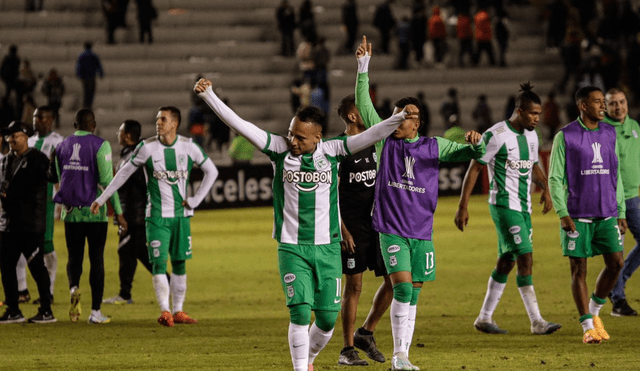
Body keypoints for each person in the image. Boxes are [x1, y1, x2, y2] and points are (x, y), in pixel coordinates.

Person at [194, 75, 411, 371]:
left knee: (325, 319)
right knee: (299, 313)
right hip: (292, 247)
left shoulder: (333, 151)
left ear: (318, 138)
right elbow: (240, 125)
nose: (293, 141)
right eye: (291, 133)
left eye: (300, 137)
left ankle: (308, 360)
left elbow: (370, 135)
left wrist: (398, 118)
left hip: (327, 249)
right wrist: (210, 97)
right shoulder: (279, 149)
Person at [354, 35, 485, 370]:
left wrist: (477, 141)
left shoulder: (434, 146)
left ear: (418, 121)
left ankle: (402, 353)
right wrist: (363, 67)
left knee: (413, 293)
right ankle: (400, 357)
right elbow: (365, 107)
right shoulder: (384, 143)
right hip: (391, 229)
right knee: (401, 289)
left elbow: (474, 153)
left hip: (422, 232)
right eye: (396, 114)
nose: (398, 119)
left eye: (405, 115)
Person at [91, 107, 218, 327]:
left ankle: (178, 310)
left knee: (180, 264)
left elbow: (212, 171)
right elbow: (123, 173)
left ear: (174, 124)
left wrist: (196, 200)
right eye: (157, 118)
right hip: (156, 216)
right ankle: (165, 311)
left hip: (181, 217)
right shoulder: (147, 147)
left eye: (163, 119)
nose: (158, 122)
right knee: (159, 263)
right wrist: (103, 198)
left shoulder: (188, 146)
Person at [454, 83, 563, 336]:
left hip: (524, 208)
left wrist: (545, 188)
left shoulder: (532, 136)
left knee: (507, 261)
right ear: (519, 111)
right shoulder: (496, 135)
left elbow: (534, 165)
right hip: (503, 205)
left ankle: (484, 317)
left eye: (539, 113)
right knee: (526, 256)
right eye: (533, 114)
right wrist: (463, 205)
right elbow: (475, 167)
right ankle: (536, 321)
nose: (538, 118)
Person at [548, 86, 626, 344]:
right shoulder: (566, 136)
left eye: (603, 101)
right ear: (583, 106)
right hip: (578, 214)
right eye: (597, 102)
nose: (603, 106)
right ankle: (587, 327)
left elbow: (616, 175)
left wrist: (621, 210)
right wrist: (562, 211)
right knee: (578, 269)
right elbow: (555, 178)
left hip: (606, 213)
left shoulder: (609, 133)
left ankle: (594, 312)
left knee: (616, 263)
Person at [51, 108, 126, 324]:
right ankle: (95, 312)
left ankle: (74, 287)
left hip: (71, 213)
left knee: (74, 257)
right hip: (95, 212)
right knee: (96, 259)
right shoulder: (100, 145)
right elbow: (107, 182)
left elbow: (58, 178)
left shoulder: (60, 146)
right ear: (92, 124)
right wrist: (119, 213)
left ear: (75, 125)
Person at [335, 95, 392, 366]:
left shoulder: (376, 142)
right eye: (363, 109)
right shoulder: (338, 148)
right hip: (352, 226)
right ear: (353, 116)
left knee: (395, 281)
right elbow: (330, 194)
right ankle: (347, 350)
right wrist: (342, 230)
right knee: (354, 286)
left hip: (378, 223)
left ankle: (366, 333)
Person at [0, 121, 55, 324]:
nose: (11, 139)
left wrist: (56, 163)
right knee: (6, 266)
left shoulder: (38, 159)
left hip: (30, 223)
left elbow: (50, 178)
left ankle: (47, 310)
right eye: (9, 136)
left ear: (25, 136)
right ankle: (13, 310)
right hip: (10, 223)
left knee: (36, 267)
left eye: (15, 135)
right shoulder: (7, 160)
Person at [103, 120, 159, 305]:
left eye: (120, 131)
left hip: (135, 215)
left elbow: (146, 184)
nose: (117, 134)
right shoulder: (130, 154)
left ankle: (126, 294)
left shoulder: (137, 156)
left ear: (127, 136)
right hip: (130, 213)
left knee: (131, 251)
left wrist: (142, 211)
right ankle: (126, 293)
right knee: (135, 251)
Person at [15, 107, 65, 306]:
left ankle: (49, 291)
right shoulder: (30, 141)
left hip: (47, 201)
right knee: (17, 245)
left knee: (46, 247)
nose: (37, 121)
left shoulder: (59, 141)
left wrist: (61, 198)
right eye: (35, 117)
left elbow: (61, 172)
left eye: (42, 117)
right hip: (25, 202)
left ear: (51, 119)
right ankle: (22, 289)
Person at [603, 88, 640, 316]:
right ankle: (617, 299)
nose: (618, 107)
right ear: (605, 107)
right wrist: (618, 210)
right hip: (612, 198)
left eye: (622, 102)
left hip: (633, 196)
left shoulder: (634, 127)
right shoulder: (604, 131)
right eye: (613, 103)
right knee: (616, 250)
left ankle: (616, 285)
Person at [75, 42, 104, 110]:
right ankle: (89, 105)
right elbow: (98, 65)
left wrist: (78, 74)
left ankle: (85, 105)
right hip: (91, 76)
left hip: (84, 77)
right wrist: (101, 74)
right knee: (91, 91)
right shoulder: (93, 55)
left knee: (86, 91)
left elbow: (78, 66)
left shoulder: (82, 55)